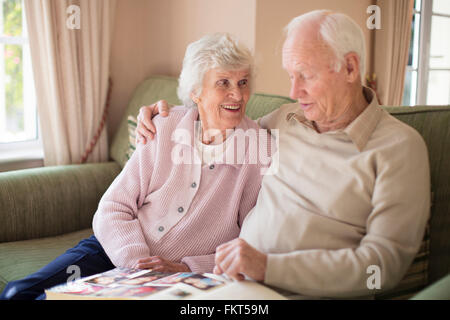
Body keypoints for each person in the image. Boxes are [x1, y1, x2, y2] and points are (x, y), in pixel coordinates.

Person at [134, 10, 430, 298]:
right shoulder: (286, 120)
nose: (294, 91)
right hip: (228, 283)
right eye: (290, 76)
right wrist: (165, 117)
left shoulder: (398, 148)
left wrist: (269, 267)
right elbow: (216, 127)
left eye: (305, 75)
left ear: (350, 68)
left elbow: (382, 266)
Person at [0, 32, 272, 300]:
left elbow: (248, 246)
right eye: (223, 82)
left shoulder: (258, 150)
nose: (237, 94)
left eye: (243, 81)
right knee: (16, 293)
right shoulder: (164, 125)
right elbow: (113, 207)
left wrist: (187, 268)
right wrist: (137, 267)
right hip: (112, 248)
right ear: (196, 92)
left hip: (177, 277)